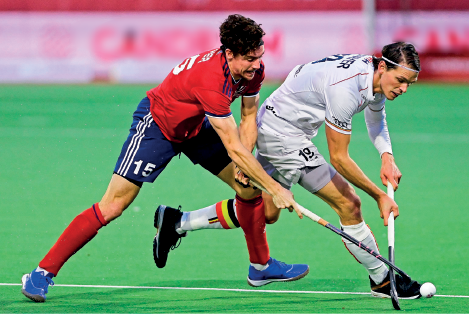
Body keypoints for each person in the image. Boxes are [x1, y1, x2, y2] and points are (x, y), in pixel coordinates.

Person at [21, 14, 309, 303]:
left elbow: (248, 118)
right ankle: (42, 272)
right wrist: (276, 188)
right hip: (158, 126)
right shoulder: (212, 80)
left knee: (248, 188)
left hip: (196, 126)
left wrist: (248, 169)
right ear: (229, 53)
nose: (257, 64)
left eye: (260, 56)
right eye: (249, 58)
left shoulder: (252, 71)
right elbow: (233, 148)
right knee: (114, 205)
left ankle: (260, 267)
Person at [158, 42, 424, 297]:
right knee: (349, 203)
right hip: (284, 135)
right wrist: (379, 195)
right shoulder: (346, 89)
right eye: (400, 80)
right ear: (382, 68)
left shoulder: (371, 74)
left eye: (408, 84)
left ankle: (177, 222)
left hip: (275, 120)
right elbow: (339, 158)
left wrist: (386, 155)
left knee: (266, 212)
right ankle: (382, 279)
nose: (403, 89)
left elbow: (376, 116)